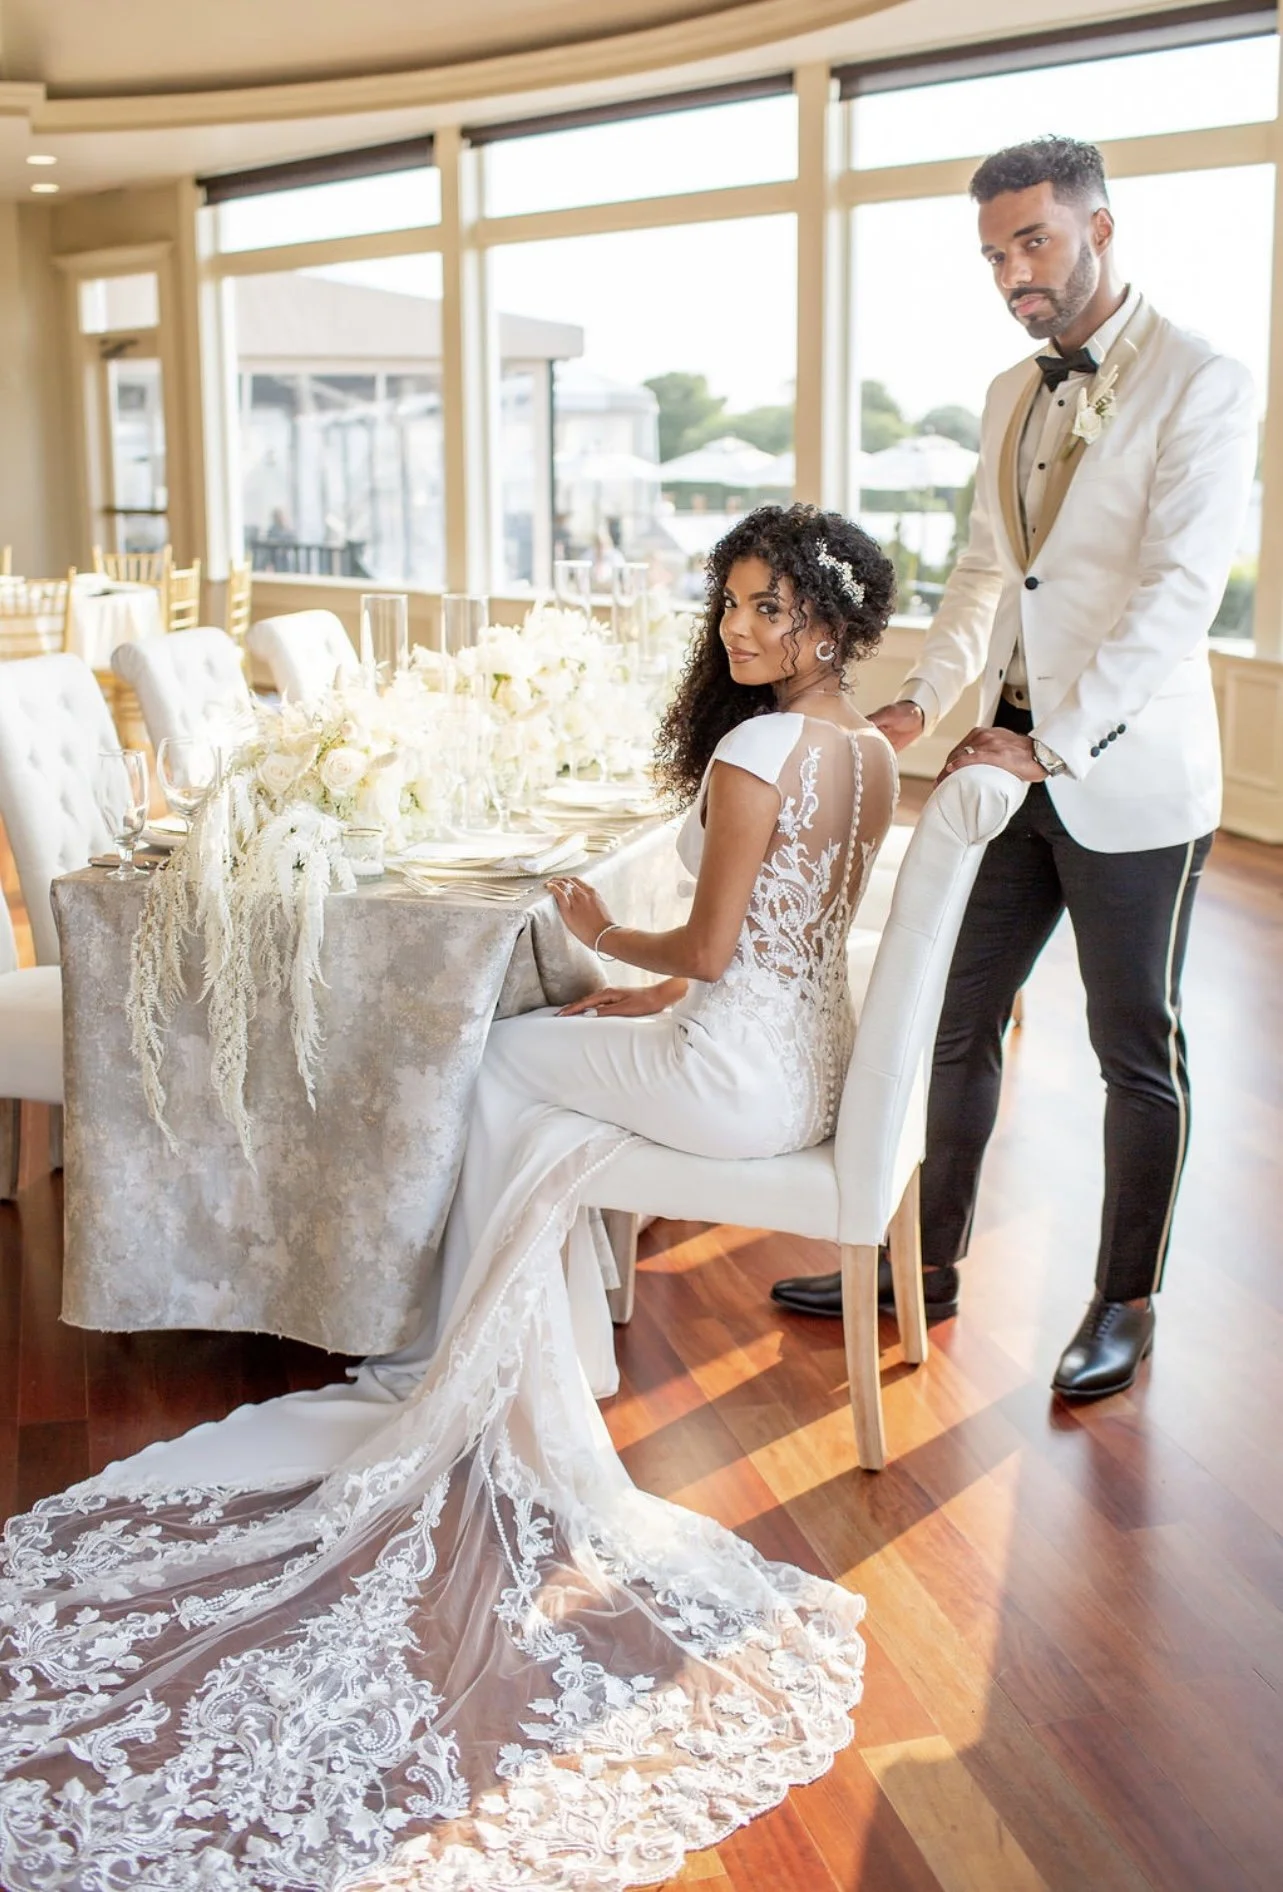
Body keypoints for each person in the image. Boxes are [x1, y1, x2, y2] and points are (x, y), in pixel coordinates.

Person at [0, 505, 898, 1890]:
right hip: (796, 1067)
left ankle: (462, 1357)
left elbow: (710, 937)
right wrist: (658, 986)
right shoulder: (864, 750)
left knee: (487, 1066)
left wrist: (601, 940)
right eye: (728, 603)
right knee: (535, 1068)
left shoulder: (749, 747)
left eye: (769, 609)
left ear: (829, 623)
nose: (738, 629)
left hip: (727, 1079)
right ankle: (533, 1338)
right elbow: (778, 939)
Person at [771, 137, 1257, 1401]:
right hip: (1001, 775)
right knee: (949, 1020)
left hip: (1127, 778)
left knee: (1129, 1046)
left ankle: (1123, 1299)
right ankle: (922, 1263)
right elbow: (986, 579)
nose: (1009, 273)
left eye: (1031, 241)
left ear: (1102, 228)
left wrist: (1056, 741)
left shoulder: (1201, 378)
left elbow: (1176, 596)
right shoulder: (1004, 393)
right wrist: (919, 707)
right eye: (992, 253)